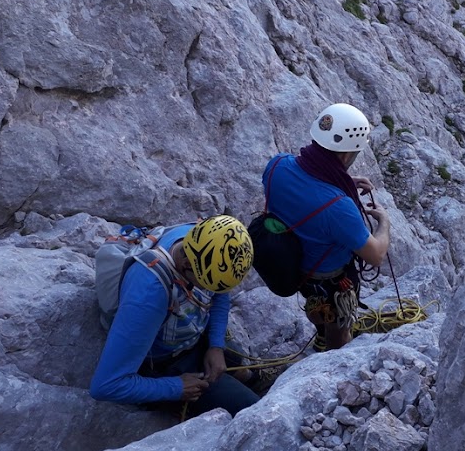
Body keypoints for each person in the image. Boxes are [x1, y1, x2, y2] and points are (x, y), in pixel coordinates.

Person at [90, 215, 258, 417]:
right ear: (187, 265)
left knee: (241, 368)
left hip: (191, 331)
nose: (210, 291)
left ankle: (250, 376)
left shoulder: (202, 238)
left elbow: (220, 293)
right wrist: (175, 387)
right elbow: (107, 385)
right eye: (206, 285)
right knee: (251, 409)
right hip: (165, 364)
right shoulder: (148, 295)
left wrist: (216, 345)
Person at [261, 103, 391, 350]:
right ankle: (332, 352)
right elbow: (376, 254)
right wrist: (384, 222)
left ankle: (321, 334)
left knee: (318, 310)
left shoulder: (276, 166)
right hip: (331, 279)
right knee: (338, 327)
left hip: (294, 265)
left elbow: (301, 188)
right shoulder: (338, 208)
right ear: (345, 155)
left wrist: (343, 182)